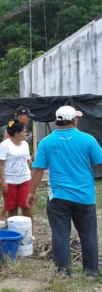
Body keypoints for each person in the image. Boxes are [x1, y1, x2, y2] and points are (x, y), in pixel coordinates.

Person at [27, 106, 102, 278]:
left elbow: (37, 170)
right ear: (74, 120)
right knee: (88, 235)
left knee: (60, 235)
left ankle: (63, 274)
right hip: (85, 197)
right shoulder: (88, 139)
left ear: (57, 121)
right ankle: (91, 273)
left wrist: (31, 193)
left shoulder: (46, 142)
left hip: (58, 197)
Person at [0, 105, 35, 220]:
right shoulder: (7, 138)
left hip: (24, 178)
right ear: (20, 116)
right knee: (12, 207)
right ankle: (12, 229)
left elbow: (28, 160)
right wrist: (2, 180)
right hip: (10, 179)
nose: (29, 119)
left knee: (26, 205)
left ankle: (29, 233)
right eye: (27, 117)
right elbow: (2, 162)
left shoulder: (24, 143)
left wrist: (34, 169)